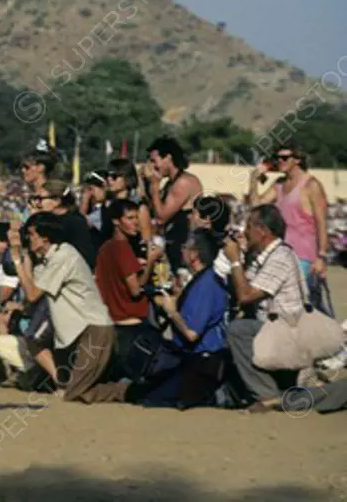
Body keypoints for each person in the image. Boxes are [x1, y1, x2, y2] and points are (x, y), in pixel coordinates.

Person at [9, 212, 129, 403]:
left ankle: (128, 389)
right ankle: (121, 388)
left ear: (45, 236)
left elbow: (32, 295)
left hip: (95, 329)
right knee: (75, 391)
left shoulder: (64, 256)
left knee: (75, 393)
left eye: (31, 234)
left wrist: (16, 260)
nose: (28, 238)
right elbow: (31, 284)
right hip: (80, 333)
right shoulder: (50, 259)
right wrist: (24, 256)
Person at [225, 205, 308, 412]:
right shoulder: (264, 257)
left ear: (263, 230)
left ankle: (267, 395)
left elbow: (245, 296)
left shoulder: (280, 257)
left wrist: (235, 261)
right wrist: (244, 256)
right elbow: (244, 287)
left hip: (290, 333)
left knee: (238, 330)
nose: (244, 232)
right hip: (279, 329)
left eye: (249, 226)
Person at [134, 229, 230, 408]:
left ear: (194, 254)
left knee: (153, 400)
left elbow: (192, 334)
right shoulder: (202, 279)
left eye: (185, 247)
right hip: (190, 357)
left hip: (203, 361)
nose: (182, 251)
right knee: (144, 391)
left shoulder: (207, 284)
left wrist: (172, 312)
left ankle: (217, 395)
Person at [248, 145, 329, 313]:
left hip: (304, 254)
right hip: (282, 252)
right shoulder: (279, 184)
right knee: (280, 302)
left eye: (284, 158)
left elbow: (321, 222)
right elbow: (256, 205)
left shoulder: (311, 185)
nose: (280, 162)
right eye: (277, 158)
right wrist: (254, 179)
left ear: (297, 159)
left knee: (300, 303)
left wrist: (321, 256)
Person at [94, 199, 165, 380]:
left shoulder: (105, 247)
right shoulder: (122, 248)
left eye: (136, 218)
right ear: (116, 221)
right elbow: (135, 289)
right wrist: (150, 261)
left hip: (113, 319)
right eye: (130, 218)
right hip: (131, 323)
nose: (135, 223)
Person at [143, 136, 203, 276]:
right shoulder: (171, 183)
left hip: (185, 251)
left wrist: (155, 185)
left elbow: (161, 217)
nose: (152, 167)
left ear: (168, 158)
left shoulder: (183, 183)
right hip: (175, 247)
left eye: (154, 161)